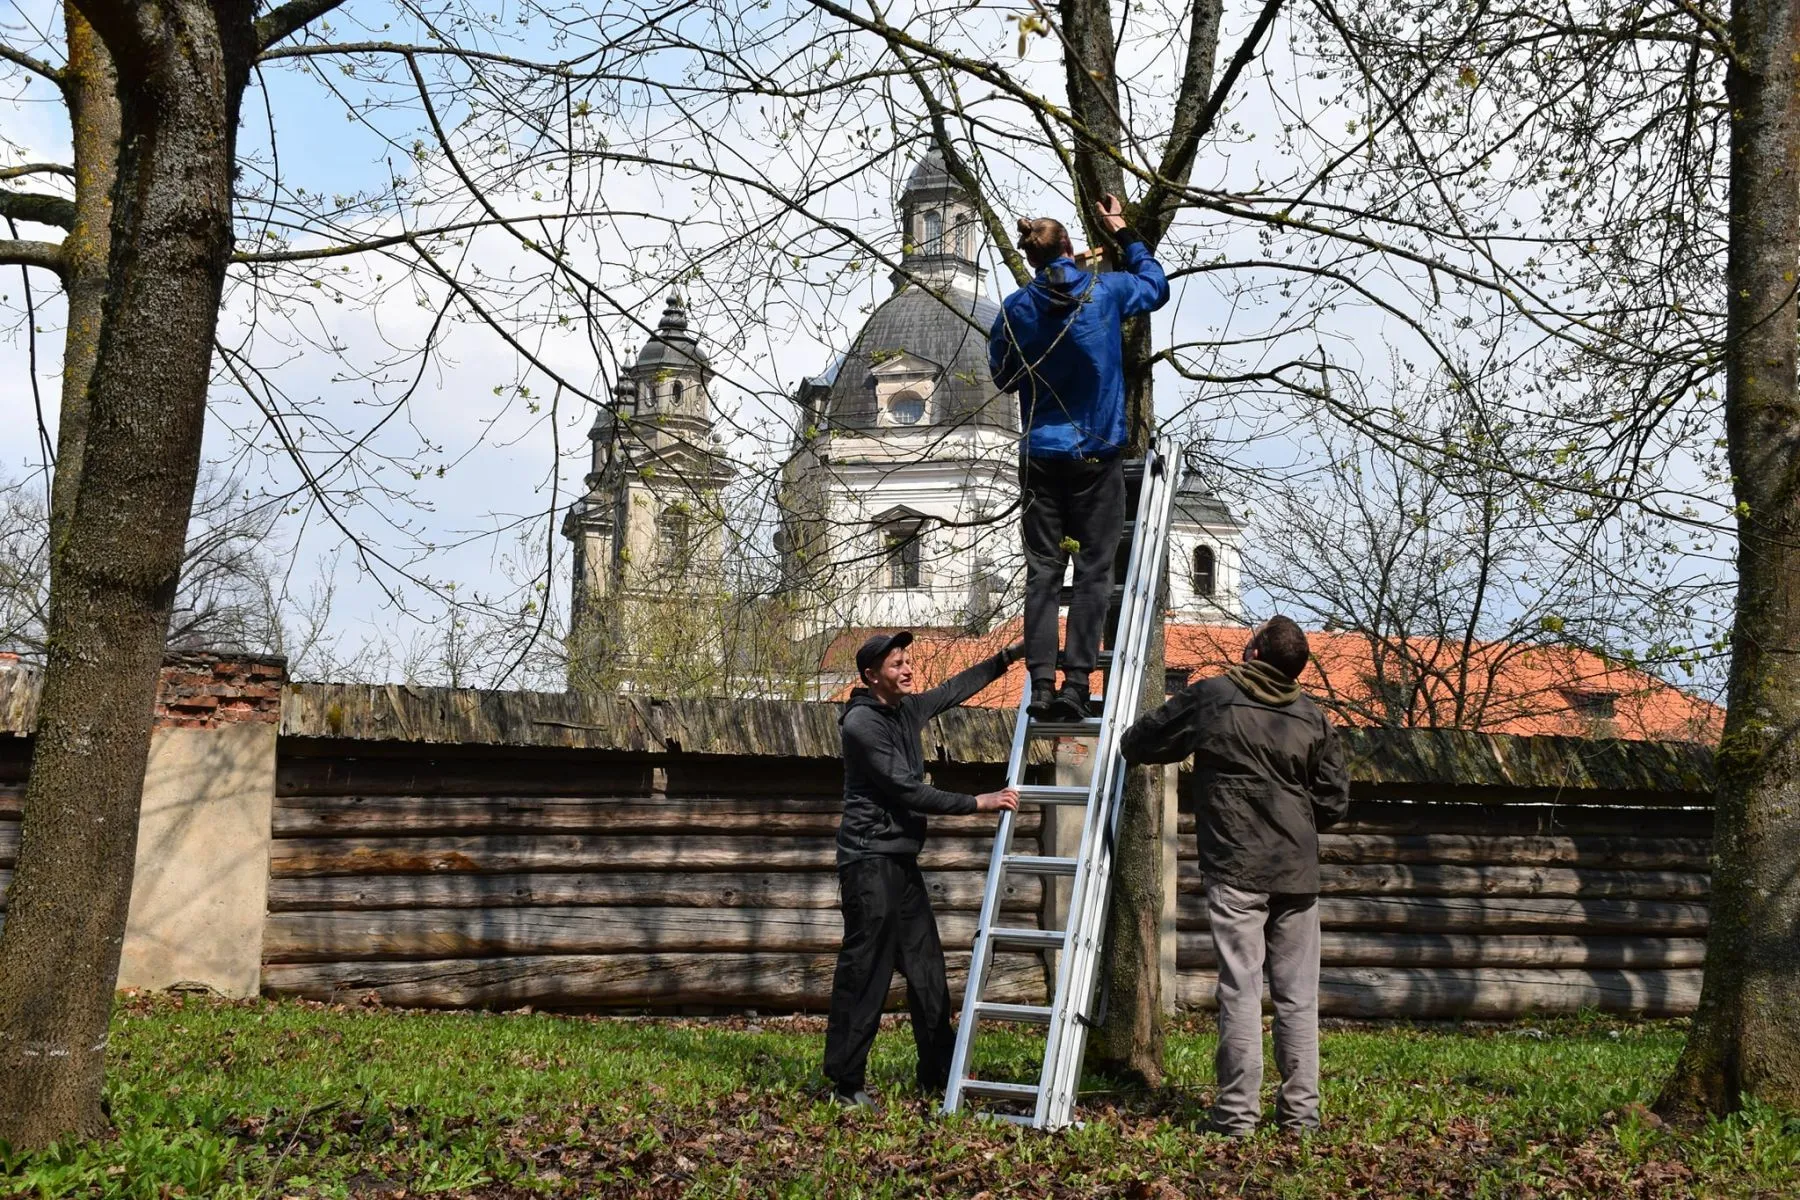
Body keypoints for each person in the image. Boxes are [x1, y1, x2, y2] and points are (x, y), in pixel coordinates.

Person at [1119, 617, 1351, 1136]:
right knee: (1298, 997)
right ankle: (1300, 1118)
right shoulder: (1313, 716)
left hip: (1237, 867)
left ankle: (1236, 1116)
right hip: (1297, 871)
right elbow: (1334, 802)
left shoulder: (1216, 697)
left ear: (1254, 651)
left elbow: (1141, 742)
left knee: (1240, 991)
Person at [989, 193, 1171, 722]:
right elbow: (1155, 286)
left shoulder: (1016, 308)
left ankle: (1041, 688)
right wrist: (1123, 231)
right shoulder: (1106, 292)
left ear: (1033, 258)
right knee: (1093, 571)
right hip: (1096, 453)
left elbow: (1002, 375)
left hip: (1041, 456)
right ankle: (1075, 685)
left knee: (1042, 573)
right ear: (1071, 248)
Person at [823, 630, 1023, 1109]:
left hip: (901, 863)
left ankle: (937, 1074)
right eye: (896, 665)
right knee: (865, 973)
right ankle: (846, 1084)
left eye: (908, 661)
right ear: (872, 676)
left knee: (928, 972)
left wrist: (1007, 657)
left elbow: (956, 689)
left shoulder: (907, 708)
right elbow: (906, 790)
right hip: (868, 863)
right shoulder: (862, 725)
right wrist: (979, 801)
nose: (908, 669)